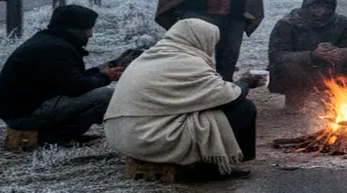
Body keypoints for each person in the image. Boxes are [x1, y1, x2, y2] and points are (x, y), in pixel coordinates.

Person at [104, 18, 263, 181]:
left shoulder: (151, 56)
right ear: (200, 39)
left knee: (211, 110)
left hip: (122, 135)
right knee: (244, 108)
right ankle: (211, 168)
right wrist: (245, 83)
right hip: (149, 138)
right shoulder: (187, 62)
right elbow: (229, 98)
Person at [0, 4, 123, 145]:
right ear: (73, 29)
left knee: (98, 93)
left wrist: (97, 71)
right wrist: (105, 77)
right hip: (25, 115)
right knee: (106, 95)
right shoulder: (55, 49)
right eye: (87, 29)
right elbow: (76, 87)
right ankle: (55, 137)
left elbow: (64, 80)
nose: (90, 34)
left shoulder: (49, 41)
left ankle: (55, 134)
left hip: (25, 109)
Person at [267, 0, 347, 112]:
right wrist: (312, 55)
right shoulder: (288, 24)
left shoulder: (343, 23)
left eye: (326, 8)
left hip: (329, 69)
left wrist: (343, 52)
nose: (321, 12)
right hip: (299, 70)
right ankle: (295, 98)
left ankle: (334, 95)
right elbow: (276, 55)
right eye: (316, 7)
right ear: (306, 6)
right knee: (287, 66)